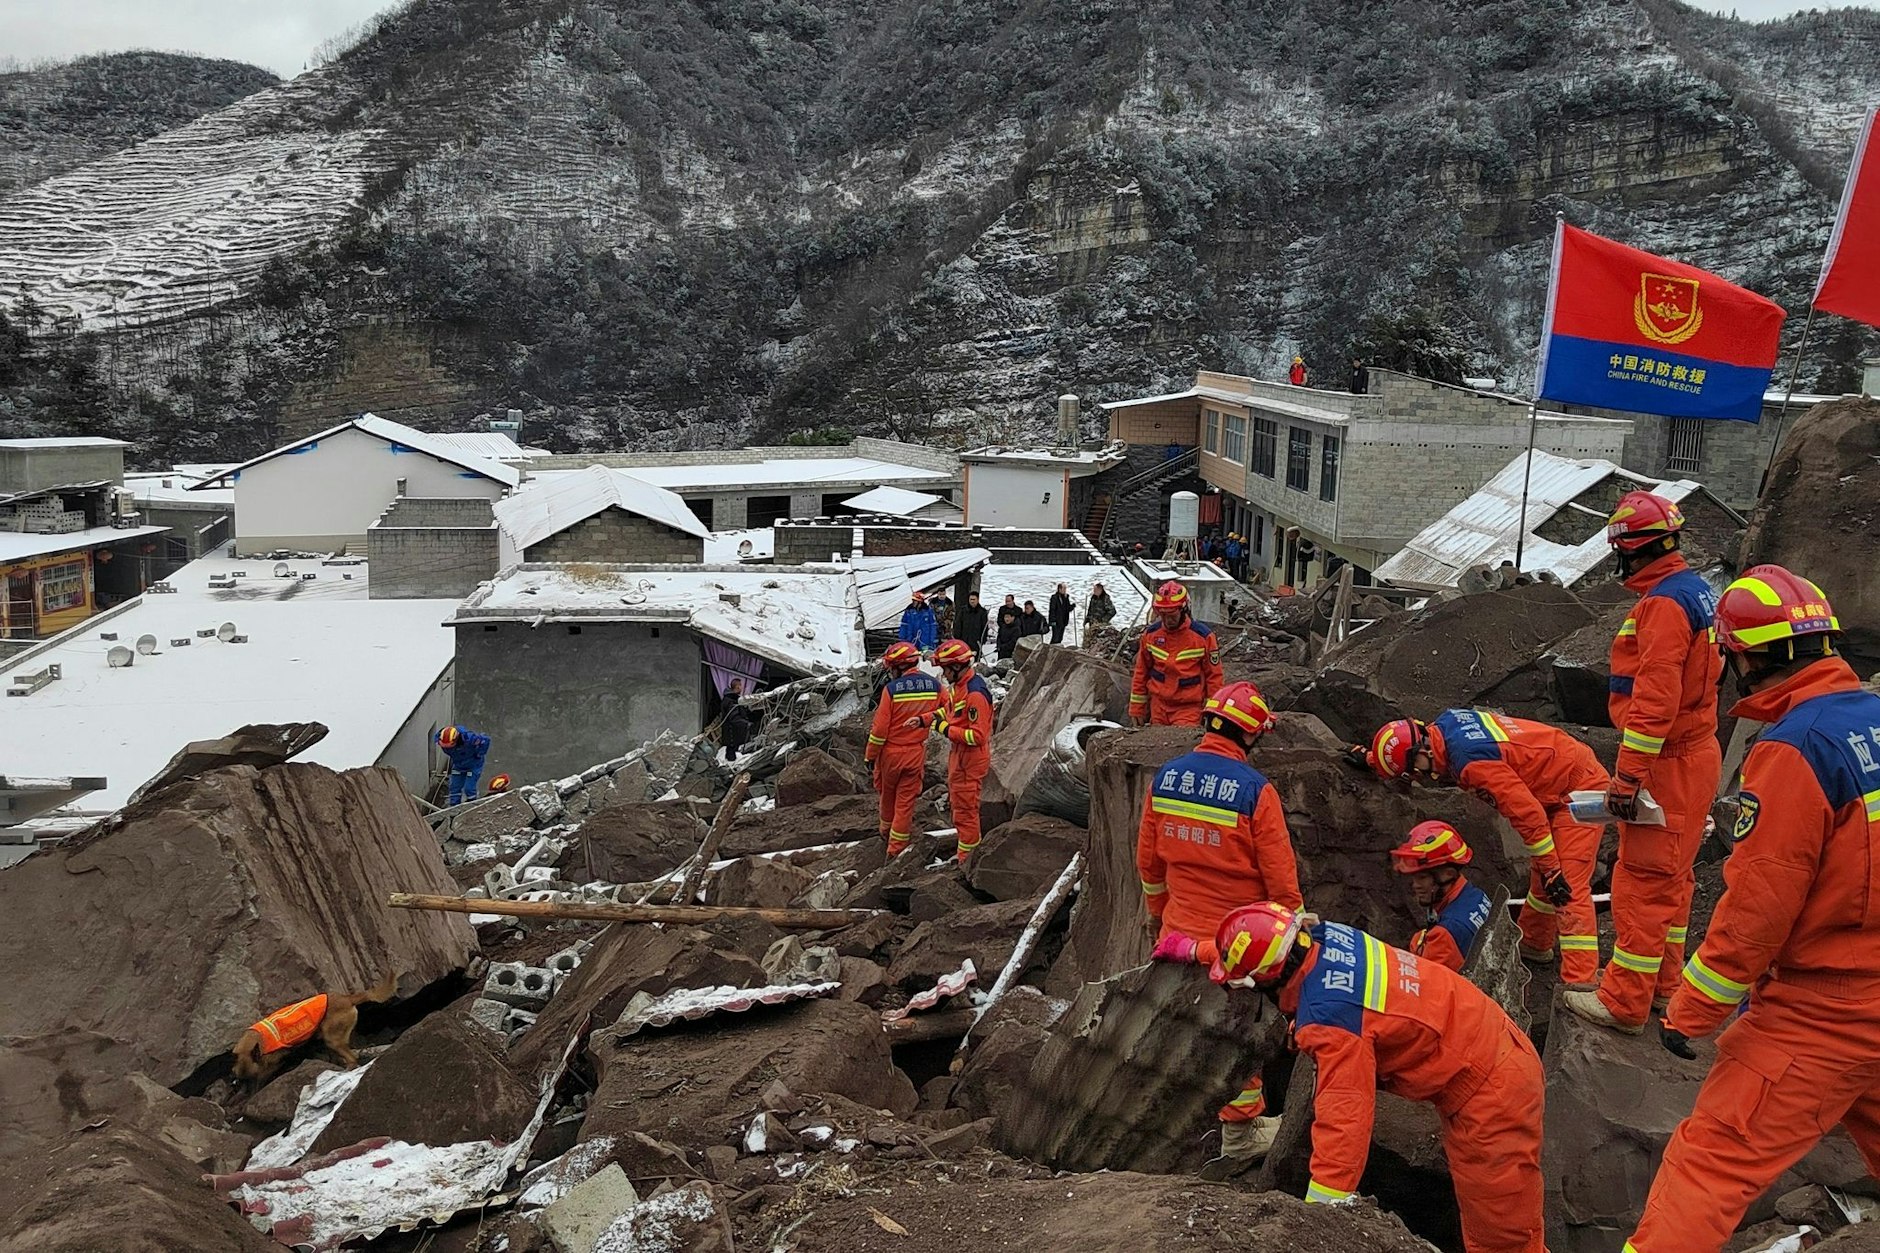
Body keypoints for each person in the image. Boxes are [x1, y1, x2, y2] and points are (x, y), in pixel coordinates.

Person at [1624, 568, 1880, 1253]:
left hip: (1821, 1014)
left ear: (1752, 656)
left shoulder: (1796, 748)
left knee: (1709, 1164)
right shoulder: (1874, 720)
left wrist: (1692, 1011)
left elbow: (1759, 908)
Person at [1210, 903, 1546, 1253]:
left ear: (1267, 981)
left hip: (1491, 1089)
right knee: (1510, 1225)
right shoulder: (1325, 937)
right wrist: (1194, 949)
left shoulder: (1331, 1021)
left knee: (1502, 1242)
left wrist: (1316, 1217)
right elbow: (1268, 951)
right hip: (1487, 1045)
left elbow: (1344, 1122)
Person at [1564, 492, 1722, 1035]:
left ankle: (1625, 1002)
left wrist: (1627, 777)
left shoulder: (1662, 606)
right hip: (1696, 755)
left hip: (1667, 762)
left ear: (1631, 550)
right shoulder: (1697, 592)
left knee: (1642, 882)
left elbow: (1655, 701)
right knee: (1674, 882)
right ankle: (1663, 987)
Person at [1139, 682, 1299, 1165]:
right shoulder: (1255, 791)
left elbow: (1149, 866)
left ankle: (1168, 1123)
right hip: (1239, 946)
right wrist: (1293, 937)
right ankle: (1237, 1140)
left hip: (1178, 935)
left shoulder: (1166, 778)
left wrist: (1158, 921)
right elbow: (1281, 882)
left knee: (1182, 1028)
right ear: (1250, 736)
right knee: (1238, 1041)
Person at [1364, 710, 1604, 987]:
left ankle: (1582, 982)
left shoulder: (1472, 764)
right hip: (1555, 774)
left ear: (1424, 748)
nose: (1417, 776)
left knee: (1566, 885)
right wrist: (1373, 759)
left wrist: (1552, 868)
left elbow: (1528, 815)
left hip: (1577, 789)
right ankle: (1534, 943)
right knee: (1543, 875)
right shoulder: (1444, 726)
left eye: (1413, 768)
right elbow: (1404, 748)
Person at [863, 642, 942, 858]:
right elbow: (947, 710)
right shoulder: (934, 685)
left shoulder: (892, 690)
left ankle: (885, 833)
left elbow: (879, 730)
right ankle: (896, 850)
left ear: (898, 667)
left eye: (891, 668)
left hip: (890, 753)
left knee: (887, 795)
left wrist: (870, 756)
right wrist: (926, 720)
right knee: (906, 801)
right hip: (916, 752)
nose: (889, 672)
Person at [1391, 821, 1493, 972]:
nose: (1415, 885)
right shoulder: (1476, 896)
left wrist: (1418, 943)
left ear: (1448, 874)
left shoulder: (1444, 935)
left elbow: (1423, 983)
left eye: (1422, 877)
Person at [932, 639, 994, 863]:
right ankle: (966, 856)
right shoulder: (959, 688)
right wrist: (926, 719)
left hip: (970, 761)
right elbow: (949, 712)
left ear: (957, 667)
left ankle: (967, 861)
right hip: (961, 758)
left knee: (966, 813)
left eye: (945, 669)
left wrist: (946, 730)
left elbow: (977, 736)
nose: (944, 674)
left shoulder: (975, 694)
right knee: (960, 810)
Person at [1129, 581, 1222, 726]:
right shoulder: (1151, 635)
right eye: (1163, 615)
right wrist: (1137, 707)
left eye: (1172, 615)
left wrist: (1212, 711)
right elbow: (1141, 671)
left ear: (1184, 610)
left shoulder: (1203, 637)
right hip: (1158, 706)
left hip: (1188, 708)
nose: (1167, 620)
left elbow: (1214, 676)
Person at [437, 725, 490, 805]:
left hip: (472, 767)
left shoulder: (470, 739)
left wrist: (479, 754)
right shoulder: (440, 738)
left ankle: (472, 804)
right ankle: (454, 807)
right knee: (454, 787)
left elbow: (486, 740)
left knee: (469, 788)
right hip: (458, 767)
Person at [714, 677, 756, 760]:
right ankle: (731, 769)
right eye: (740, 686)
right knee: (732, 754)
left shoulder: (730, 699)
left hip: (732, 734)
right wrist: (746, 724)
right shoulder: (731, 701)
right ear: (737, 687)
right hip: (732, 733)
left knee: (731, 752)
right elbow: (734, 718)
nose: (742, 688)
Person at [957, 592, 990, 659]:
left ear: (977, 600)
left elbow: (985, 628)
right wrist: (958, 638)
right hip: (964, 640)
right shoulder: (963, 610)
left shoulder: (982, 612)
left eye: (974, 599)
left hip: (976, 641)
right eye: (970, 599)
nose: (972, 601)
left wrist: (983, 640)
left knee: (975, 660)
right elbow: (958, 624)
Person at [1083, 583, 1115, 647]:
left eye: (1095, 590)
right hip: (1092, 624)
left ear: (1100, 590)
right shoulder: (1093, 598)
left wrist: (1103, 620)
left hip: (1100, 625)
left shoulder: (1105, 598)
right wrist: (1087, 619)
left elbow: (1112, 611)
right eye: (1093, 590)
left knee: (1098, 641)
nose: (1094, 591)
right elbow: (1090, 610)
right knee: (1089, 640)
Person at [994, 594, 1022, 661]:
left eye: (1009, 601)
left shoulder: (1018, 610)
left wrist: (1003, 647)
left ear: (1013, 600)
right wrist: (999, 646)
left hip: (1010, 649)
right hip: (1004, 630)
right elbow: (999, 636)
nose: (1007, 603)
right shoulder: (1002, 609)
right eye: (1006, 601)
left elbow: (1013, 641)